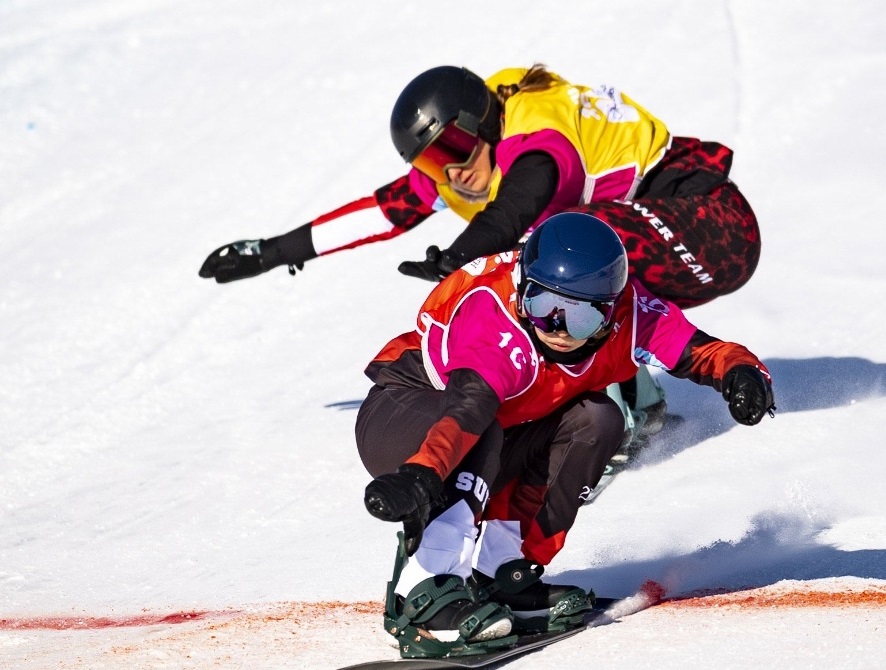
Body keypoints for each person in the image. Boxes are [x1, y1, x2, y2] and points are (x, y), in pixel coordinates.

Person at [198, 64, 763, 460]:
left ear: (482, 122)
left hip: (711, 223)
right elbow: (389, 208)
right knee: (556, 260)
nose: (451, 172)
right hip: (658, 233)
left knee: (561, 246)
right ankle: (633, 400)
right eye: (431, 163)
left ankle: (634, 406)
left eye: (451, 152)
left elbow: (525, 194)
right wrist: (273, 252)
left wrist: (464, 254)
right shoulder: (468, 147)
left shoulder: (535, 125)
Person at [356, 212, 774, 658]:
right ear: (521, 288)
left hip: (493, 429)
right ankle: (430, 590)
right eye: (540, 303)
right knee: (484, 431)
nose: (554, 326)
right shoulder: (495, 319)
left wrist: (743, 374)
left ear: (609, 312)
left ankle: (506, 573)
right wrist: (421, 474)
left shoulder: (631, 317)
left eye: (576, 315)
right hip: (406, 414)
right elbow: (466, 413)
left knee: (599, 419)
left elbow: (702, 351)